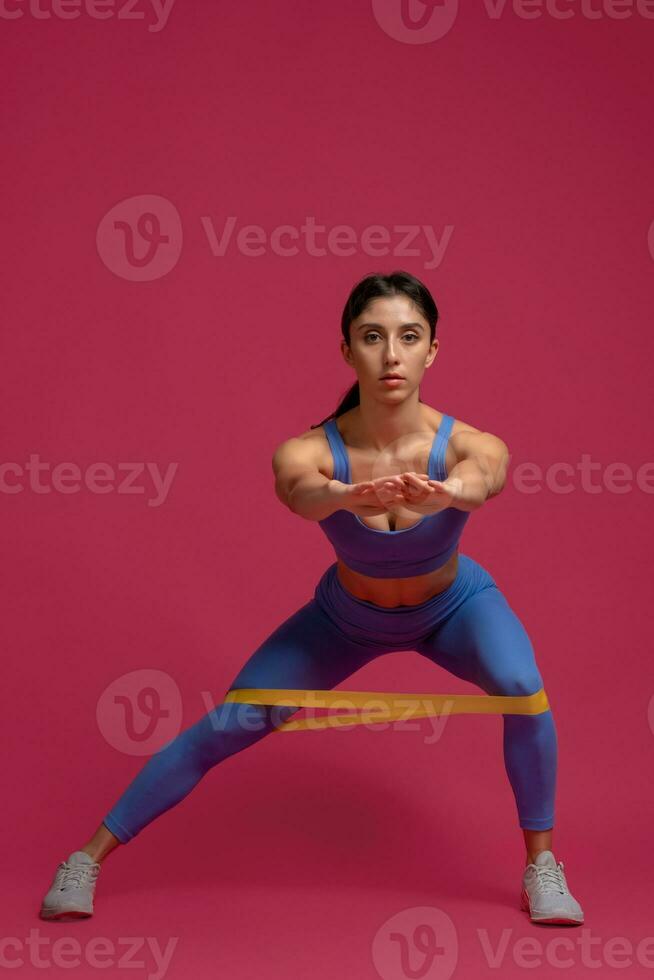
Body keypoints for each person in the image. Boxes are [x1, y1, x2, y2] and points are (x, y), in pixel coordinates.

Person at [40, 270, 583, 925]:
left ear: (432, 350)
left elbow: (484, 474)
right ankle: (86, 861)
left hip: (453, 610)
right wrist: (345, 497)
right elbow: (301, 494)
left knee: (522, 685)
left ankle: (542, 867)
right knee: (235, 722)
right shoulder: (307, 450)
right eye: (372, 336)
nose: (391, 354)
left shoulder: (466, 441)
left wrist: (450, 493)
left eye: (408, 337)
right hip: (346, 620)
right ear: (347, 349)